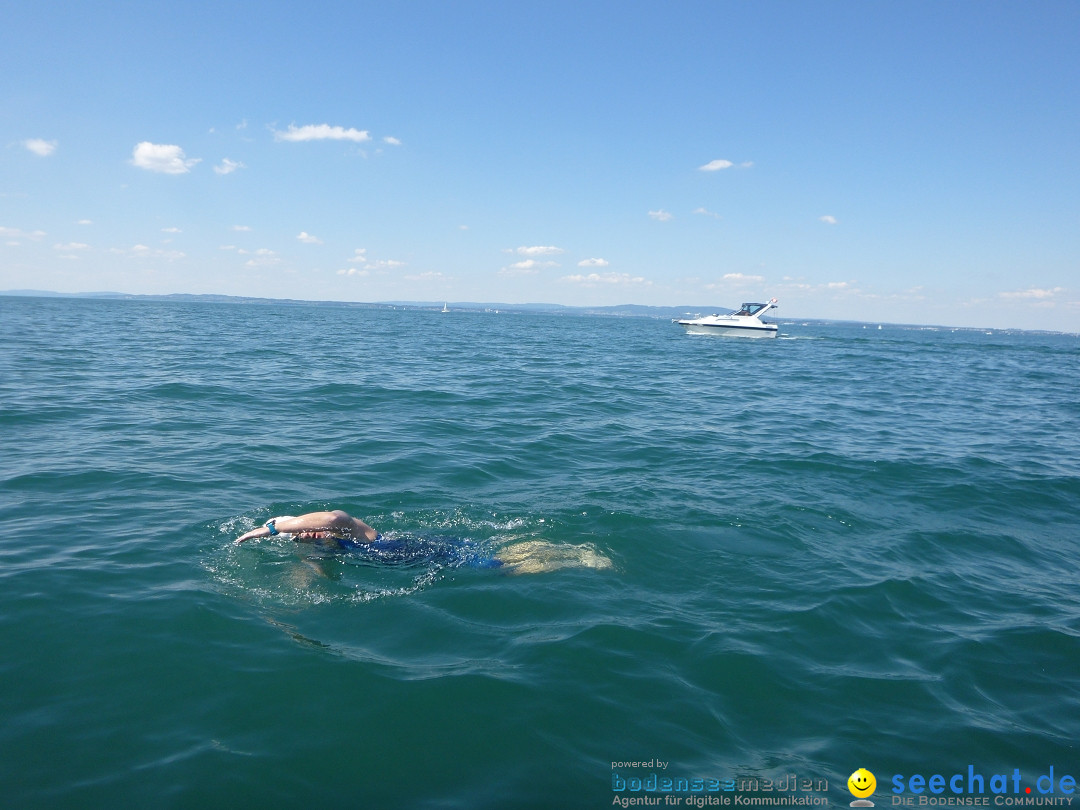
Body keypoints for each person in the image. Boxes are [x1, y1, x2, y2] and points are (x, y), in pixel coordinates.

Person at [235, 509, 380, 545]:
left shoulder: (347, 529)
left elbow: (333, 518)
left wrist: (272, 529)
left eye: (301, 530)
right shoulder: (329, 546)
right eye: (297, 537)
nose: (305, 535)